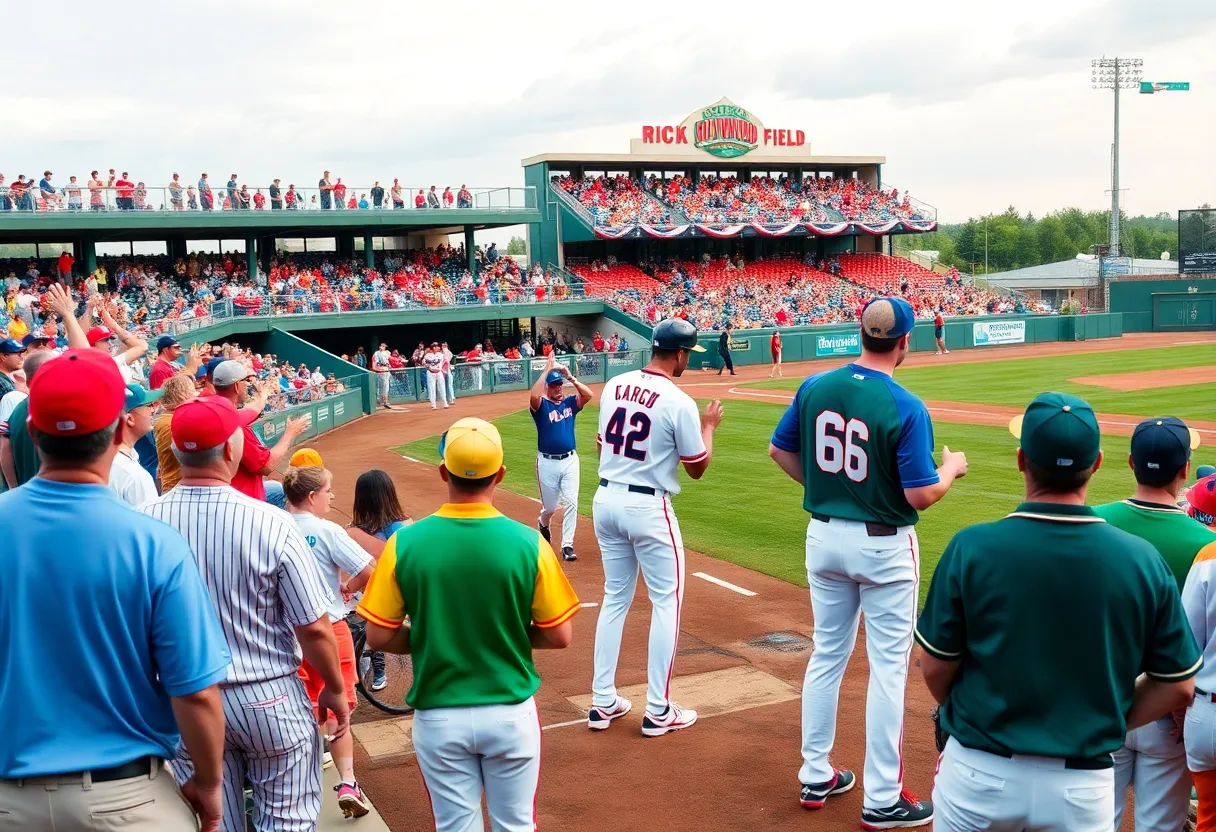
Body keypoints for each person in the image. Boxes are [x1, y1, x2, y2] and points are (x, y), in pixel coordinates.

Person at [918, 393, 1202, 832]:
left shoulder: (971, 548)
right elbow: (1178, 686)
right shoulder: (1141, 560)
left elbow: (935, 668)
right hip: (1080, 789)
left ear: (1020, 460)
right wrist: (1105, 719)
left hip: (979, 774)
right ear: (1099, 462)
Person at [0, 349, 230, 832]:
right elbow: (196, 694)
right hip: (125, 801)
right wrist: (209, 788)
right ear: (123, 430)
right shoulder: (155, 542)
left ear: (32, 431)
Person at [768, 296, 965, 828]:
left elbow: (779, 451)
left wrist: (831, 491)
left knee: (827, 653)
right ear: (904, 341)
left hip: (824, 536)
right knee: (886, 669)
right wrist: (951, 469)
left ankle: (815, 773)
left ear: (860, 332)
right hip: (883, 546)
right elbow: (921, 494)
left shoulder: (814, 385)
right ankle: (882, 799)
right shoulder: (904, 404)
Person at [357, 417, 579, 830]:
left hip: (439, 715)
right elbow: (558, 634)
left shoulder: (405, 543)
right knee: (515, 825)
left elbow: (378, 634)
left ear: (443, 471)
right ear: (500, 474)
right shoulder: (530, 543)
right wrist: (505, 635)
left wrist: (431, 637)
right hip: (510, 712)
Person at [141, 396, 350, 832]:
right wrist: (332, 686)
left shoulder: (142, 523)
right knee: (288, 823)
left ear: (176, 452)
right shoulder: (272, 521)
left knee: (218, 825)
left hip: (184, 704)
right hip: (268, 697)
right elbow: (312, 627)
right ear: (232, 451)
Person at [590, 317, 722, 736]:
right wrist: (708, 427)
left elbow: (599, 444)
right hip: (648, 507)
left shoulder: (614, 385)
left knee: (615, 597)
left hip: (606, 498)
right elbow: (697, 467)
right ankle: (659, 708)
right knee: (667, 601)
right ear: (679, 354)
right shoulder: (678, 399)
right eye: (689, 354)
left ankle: (602, 701)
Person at [1093, 418, 1216, 830]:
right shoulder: (1205, 546)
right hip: (1169, 709)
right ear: (1184, 469)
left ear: (1130, 462)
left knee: (1090, 822)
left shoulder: (1090, 523)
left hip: (1097, 700)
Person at [283, 465, 375, 820]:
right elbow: (368, 571)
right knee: (340, 711)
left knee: (301, 713)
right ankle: (348, 782)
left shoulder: (270, 523)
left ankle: (300, 787)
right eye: (327, 491)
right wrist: (349, 589)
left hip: (286, 636)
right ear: (311, 497)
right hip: (330, 630)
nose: (331, 497)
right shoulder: (327, 530)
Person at [345, 468, 412, 693]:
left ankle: (367, 670)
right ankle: (375, 671)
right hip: (404, 594)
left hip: (373, 597)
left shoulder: (354, 533)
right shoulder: (406, 526)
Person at [210, 359, 309, 500]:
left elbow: (249, 411)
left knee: (276, 487)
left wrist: (262, 397)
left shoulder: (214, 410)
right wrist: (290, 433)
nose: (248, 385)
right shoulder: (237, 428)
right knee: (284, 493)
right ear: (237, 386)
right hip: (242, 500)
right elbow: (267, 466)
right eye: (246, 381)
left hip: (223, 491)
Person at [531, 353, 593, 562]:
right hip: (547, 463)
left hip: (570, 461)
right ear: (548, 387)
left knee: (572, 502)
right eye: (554, 385)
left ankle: (567, 544)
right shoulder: (541, 407)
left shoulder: (569, 404)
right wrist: (546, 371)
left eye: (560, 384)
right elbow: (533, 396)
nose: (559, 387)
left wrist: (571, 377)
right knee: (550, 507)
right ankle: (543, 521)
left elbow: (588, 395)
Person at [108, 383, 164, 507]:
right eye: (148, 406)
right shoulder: (134, 477)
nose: (152, 411)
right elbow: (150, 524)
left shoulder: (99, 459)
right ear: (130, 419)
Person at [152, 373, 198, 493]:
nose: (196, 396)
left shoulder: (169, 417)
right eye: (193, 391)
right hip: (175, 488)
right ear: (184, 394)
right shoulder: (170, 422)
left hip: (178, 486)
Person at [422, 342, 449, 409]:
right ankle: (433, 404)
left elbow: (446, 360)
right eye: (436, 346)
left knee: (442, 387)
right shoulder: (427, 355)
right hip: (430, 372)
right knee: (432, 388)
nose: (438, 348)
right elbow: (423, 362)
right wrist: (428, 368)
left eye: (438, 346)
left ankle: (445, 403)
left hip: (439, 372)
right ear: (433, 348)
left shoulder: (440, 354)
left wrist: (445, 349)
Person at [372, 342, 392, 410]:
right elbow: (374, 362)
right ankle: (381, 402)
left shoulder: (387, 353)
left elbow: (390, 360)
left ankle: (385, 401)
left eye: (384, 346)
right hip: (379, 371)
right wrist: (375, 369)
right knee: (380, 387)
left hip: (386, 371)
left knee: (386, 387)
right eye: (381, 346)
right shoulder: (376, 353)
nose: (382, 347)